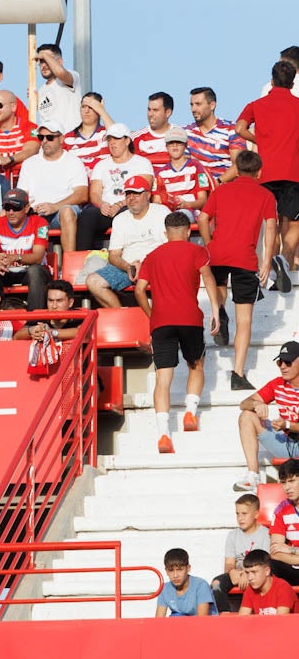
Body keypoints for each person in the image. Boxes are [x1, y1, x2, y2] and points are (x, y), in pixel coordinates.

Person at [133, 211, 216, 455]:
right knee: (196, 364)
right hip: (190, 318)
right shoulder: (197, 251)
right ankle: (190, 411)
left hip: (161, 321)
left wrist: (152, 314)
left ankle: (163, 434)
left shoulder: (153, 256)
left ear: (165, 232)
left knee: (163, 378)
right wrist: (215, 311)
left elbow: (139, 290)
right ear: (188, 231)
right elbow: (208, 277)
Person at [200, 149, 278, 390]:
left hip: (219, 252)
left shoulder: (221, 190)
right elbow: (272, 229)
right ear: (259, 171)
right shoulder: (265, 195)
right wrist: (266, 261)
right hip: (245, 258)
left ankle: (218, 308)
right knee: (244, 321)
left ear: (237, 169)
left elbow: (203, 218)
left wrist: (208, 244)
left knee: (220, 288)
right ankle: (238, 374)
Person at [236, 60, 299, 291]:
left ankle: (272, 270)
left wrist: (259, 140)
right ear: (292, 83)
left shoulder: (257, 104)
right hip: (294, 172)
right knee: (293, 223)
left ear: (271, 80)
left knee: (271, 222)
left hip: (266, 173)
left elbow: (239, 128)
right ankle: (284, 259)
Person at [85, 178, 169, 310]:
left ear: (148, 195)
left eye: (136, 193)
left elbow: (171, 247)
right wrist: (128, 267)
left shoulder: (161, 212)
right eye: (128, 194)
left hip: (158, 265)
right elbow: (113, 255)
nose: (131, 198)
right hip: (129, 266)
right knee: (93, 281)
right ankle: (122, 315)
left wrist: (146, 264)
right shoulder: (120, 219)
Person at [76, 124, 154, 250]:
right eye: (109, 140)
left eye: (116, 139)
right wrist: (102, 204)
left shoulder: (142, 163)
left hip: (128, 207)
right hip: (106, 209)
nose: (112, 143)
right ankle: (81, 259)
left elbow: (144, 191)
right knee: (87, 215)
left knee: (129, 212)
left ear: (127, 140)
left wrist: (120, 204)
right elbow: (94, 193)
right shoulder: (101, 165)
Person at [236, 343, 299, 493]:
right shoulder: (278, 383)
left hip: (291, 435)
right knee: (247, 415)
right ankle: (253, 475)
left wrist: (287, 425)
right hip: (286, 442)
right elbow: (243, 404)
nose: (283, 366)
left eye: (288, 362)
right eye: (280, 362)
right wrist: (256, 404)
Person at [16, 122, 88, 249]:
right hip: (35, 214)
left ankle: (69, 262)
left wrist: (54, 206)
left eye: (49, 137)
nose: (44, 141)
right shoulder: (29, 163)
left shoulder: (74, 162)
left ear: (61, 139)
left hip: (59, 214)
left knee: (66, 211)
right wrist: (29, 207)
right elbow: (22, 195)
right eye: (41, 137)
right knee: (5, 212)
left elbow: (81, 195)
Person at [0, 189, 51, 309]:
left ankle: (35, 320)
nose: (11, 212)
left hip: (31, 272)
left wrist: (15, 257)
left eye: (16, 208)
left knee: (35, 271)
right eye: (7, 208)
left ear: (26, 208)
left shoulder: (41, 223)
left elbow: (38, 257)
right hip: (6, 271)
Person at [212, 492, 272, 613]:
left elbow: (265, 563)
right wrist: (232, 571)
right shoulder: (232, 535)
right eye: (237, 514)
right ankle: (225, 616)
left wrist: (247, 573)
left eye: (244, 514)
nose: (240, 518)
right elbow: (229, 563)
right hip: (238, 574)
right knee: (216, 584)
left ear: (256, 514)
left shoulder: (266, 534)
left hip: (256, 573)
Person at [186, 85, 244, 184]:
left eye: (198, 104)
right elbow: (185, 167)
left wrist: (217, 182)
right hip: (198, 190)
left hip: (225, 187)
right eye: (191, 104)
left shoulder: (230, 129)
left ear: (212, 105)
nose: (193, 109)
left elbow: (239, 164)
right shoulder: (186, 133)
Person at [155, 129, 211, 217]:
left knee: (179, 217)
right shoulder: (159, 173)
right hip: (168, 213)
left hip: (191, 211)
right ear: (166, 146)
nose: (175, 146)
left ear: (185, 145)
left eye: (179, 142)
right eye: (171, 143)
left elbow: (203, 200)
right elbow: (157, 202)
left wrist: (187, 204)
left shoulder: (197, 168)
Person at [264, 459, 299, 588]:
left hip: (291, 556)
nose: (287, 487)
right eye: (283, 483)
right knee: (269, 566)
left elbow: (283, 550)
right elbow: (275, 552)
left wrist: (291, 549)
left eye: (291, 481)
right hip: (292, 567)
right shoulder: (281, 510)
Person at [32, 43, 82, 132]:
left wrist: (43, 55)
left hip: (70, 141)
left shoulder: (71, 76)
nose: (43, 65)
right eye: (41, 61)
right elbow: (41, 123)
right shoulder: (41, 91)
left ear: (59, 62)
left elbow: (61, 73)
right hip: (50, 142)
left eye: (47, 60)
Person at [153, 548, 215, 617]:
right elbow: (159, 620)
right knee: (175, 616)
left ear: (188, 568)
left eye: (179, 570)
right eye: (171, 570)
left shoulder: (201, 585)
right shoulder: (164, 589)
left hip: (206, 625)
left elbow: (202, 620)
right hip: (182, 623)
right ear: (166, 571)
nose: (175, 575)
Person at [236, 550, 295, 615]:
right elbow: (242, 619)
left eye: (254, 572)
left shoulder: (283, 587)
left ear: (267, 571)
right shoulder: (250, 589)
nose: (250, 578)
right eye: (247, 573)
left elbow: (281, 622)